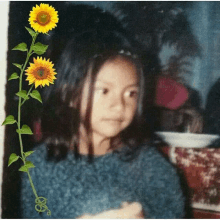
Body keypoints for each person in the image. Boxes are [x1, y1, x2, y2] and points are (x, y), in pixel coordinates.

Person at [20, 8, 185, 220]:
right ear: (70, 94)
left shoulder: (153, 168)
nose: (119, 105)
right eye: (104, 91)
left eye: (131, 93)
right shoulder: (37, 168)